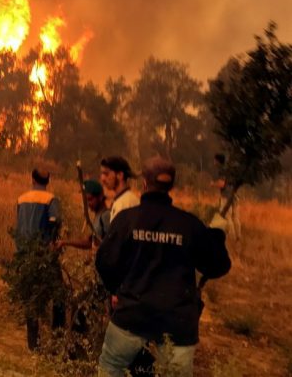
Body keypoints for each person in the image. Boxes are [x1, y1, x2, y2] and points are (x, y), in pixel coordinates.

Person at [95, 156, 231, 376]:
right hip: (177, 323)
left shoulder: (127, 219)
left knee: (111, 367)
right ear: (172, 186)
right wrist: (216, 235)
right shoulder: (189, 225)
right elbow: (218, 266)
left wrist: (116, 290)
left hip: (132, 314)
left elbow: (104, 262)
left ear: (144, 183)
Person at [15, 168, 65, 352]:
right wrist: (52, 241)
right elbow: (55, 221)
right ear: (48, 180)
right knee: (59, 295)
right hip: (44, 255)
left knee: (31, 297)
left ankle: (33, 344)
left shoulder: (21, 199)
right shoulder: (51, 199)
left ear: (32, 178)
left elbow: (18, 227)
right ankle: (58, 339)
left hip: (24, 254)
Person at [57, 179, 110, 250]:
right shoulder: (99, 215)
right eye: (86, 200)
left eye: (90, 199)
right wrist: (64, 242)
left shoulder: (106, 215)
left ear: (100, 197)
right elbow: (89, 243)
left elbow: (111, 242)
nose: (88, 204)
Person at [211, 153, 239, 240]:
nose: (214, 162)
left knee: (227, 217)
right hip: (234, 195)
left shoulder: (221, 170)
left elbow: (222, 184)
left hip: (226, 197)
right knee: (235, 217)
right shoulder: (229, 170)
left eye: (215, 160)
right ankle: (238, 237)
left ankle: (232, 238)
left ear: (218, 161)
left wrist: (213, 184)